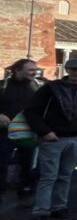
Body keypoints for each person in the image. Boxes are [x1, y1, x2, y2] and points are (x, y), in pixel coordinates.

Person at [24, 58, 77, 220]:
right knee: (48, 176)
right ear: (67, 70)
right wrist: (45, 131)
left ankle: (59, 208)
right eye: (73, 69)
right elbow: (32, 111)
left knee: (65, 175)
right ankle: (41, 212)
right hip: (54, 137)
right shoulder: (51, 88)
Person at [0, 58, 42, 208]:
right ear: (17, 70)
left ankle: (25, 192)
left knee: (28, 164)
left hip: (29, 132)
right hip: (5, 133)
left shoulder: (38, 86)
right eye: (31, 69)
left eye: (35, 69)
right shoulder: (2, 86)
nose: (35, 72)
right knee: (1, 163)